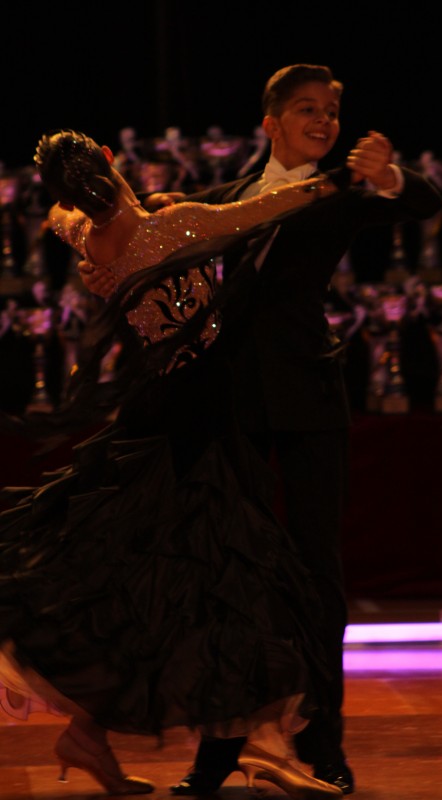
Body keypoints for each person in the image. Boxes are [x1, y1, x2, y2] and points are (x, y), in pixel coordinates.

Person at [81, 64, 442, 797]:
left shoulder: (342, 191)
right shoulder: (223, 198)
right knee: (230, 573)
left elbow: (423, 202)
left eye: (331, 110)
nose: (323, 120)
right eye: (307, 109)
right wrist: (116, 256)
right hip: (228, 404)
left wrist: (389, 175)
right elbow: (151, 256)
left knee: (317, 572)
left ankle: (323, 742)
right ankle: (219, 753)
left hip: (309, 399)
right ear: (272, 123)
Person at [0, 129, 367, 798]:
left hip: (155, 415)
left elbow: (57, 215)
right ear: (108, 159)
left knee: (163, 588)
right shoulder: (174, 227)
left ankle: (97, 735)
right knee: (231, 582)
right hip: (199, 424)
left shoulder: (87, 235)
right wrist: (340, 180)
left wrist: (75, 220)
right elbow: (270, 208)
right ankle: (260, 744)